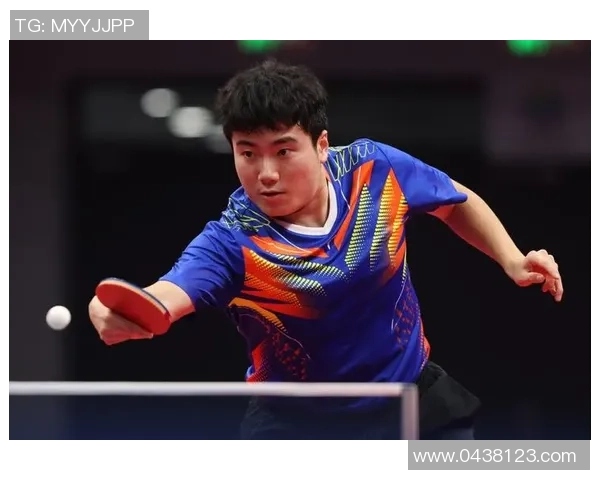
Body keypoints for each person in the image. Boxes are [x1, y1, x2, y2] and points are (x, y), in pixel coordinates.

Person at [88, 60, 563, 440]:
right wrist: (120, 308)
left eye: (283, 151)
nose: (266, 173)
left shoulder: (375, 170)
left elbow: (455, 202)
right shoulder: (233, 240)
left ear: (321, 145)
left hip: (413, 404)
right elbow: (168, 295)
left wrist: (511, 258)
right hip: (298, 429)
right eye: (247, 153)